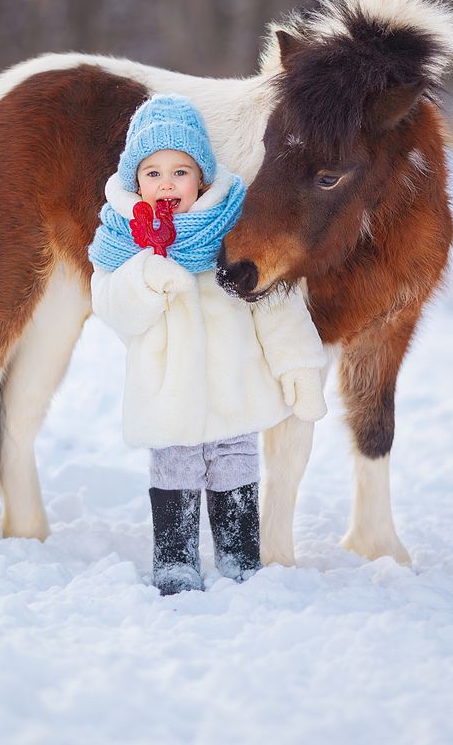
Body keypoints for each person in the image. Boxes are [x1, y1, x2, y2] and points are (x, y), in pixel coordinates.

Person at [88, 95, 327, 595]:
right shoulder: (122, 238)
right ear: (135, 181)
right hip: (168, 392)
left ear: (202, 176)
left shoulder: (235, 230)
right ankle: (175, 558)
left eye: (181, 171)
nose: (167, 184)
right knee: (175, 466)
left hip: (234, 385)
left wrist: (298, 365)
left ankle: (240, 553)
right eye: (152, 173)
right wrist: (145, 277)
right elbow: (113, 308)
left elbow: (275, 303)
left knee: (235, 463)